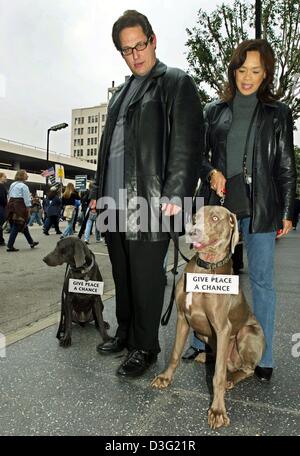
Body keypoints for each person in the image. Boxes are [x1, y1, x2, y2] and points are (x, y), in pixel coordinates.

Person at [92, 10, 203, 377]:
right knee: (123, 274)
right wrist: (96, 190)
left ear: (153, 40)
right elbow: (107, 148)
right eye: (127, 50)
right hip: (112, 200)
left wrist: (176, 191)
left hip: (151, 198)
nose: (136, 54)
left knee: (145, 276)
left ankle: (146, 346)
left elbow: (188, 142)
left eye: (140, 45)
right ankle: (124, 333)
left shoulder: (175, 82)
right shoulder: (119, 95)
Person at [183, 39, 297, 382]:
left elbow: (286, 166)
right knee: (208, 277)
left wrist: (288, 210)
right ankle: (203, 342)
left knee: (262, 281)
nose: (248, 77)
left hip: (262, 206)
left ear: (266, 74)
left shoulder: (278, 113)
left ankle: (262, 355)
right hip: (219, 205)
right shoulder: (214, 110)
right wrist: (211, 172)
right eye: (242, 69)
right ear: (233, 71)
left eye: (256, 71)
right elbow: (198, 156)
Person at [6, 170, 39, 252]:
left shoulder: (13, 184)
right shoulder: (24, 186)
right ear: (22, 176)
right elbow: (27, 199)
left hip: (12, 206)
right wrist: (28, 210)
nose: (27, 176)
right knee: (17, 225)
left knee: (22, 225)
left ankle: (31, 242)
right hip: (20, 207)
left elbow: (9, 196)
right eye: (26, 175)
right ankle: (10, 245)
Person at [0, 172, 8, 246]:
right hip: (1, 207)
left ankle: (1, 240)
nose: (6, 178)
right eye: (4, 177)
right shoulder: (1, 186)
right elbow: (2, 198)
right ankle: (1, 240)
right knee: (0, 223)